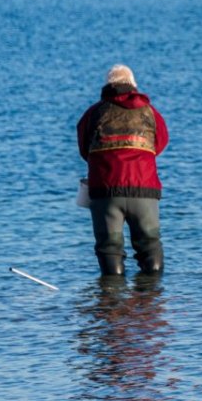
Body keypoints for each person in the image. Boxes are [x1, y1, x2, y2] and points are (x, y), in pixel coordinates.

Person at [76, 65, 169, 277]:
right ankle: (150, 300)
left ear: (107, 86)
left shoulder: (93, 113)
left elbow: (84, 149)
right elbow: (160, 143)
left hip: (106, 190)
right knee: (150, 245)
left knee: (110, 248)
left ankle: (110, 304)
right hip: (144, 188)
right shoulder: (150, 112)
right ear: (133, 86)